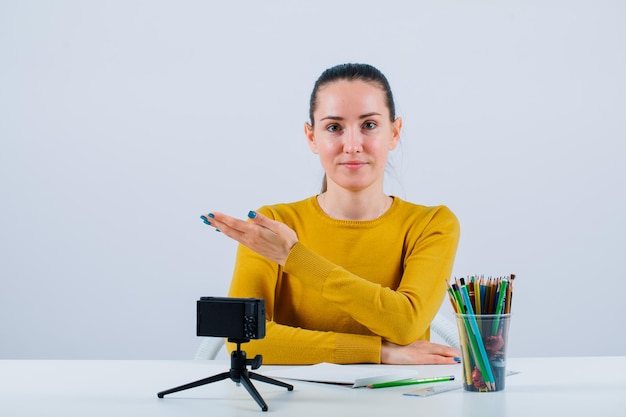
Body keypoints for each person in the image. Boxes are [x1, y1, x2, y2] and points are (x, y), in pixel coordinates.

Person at [200, 63, 461, 365]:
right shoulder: (272, 224)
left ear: (394, 132)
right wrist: (380, 352)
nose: (352, 145)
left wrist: (295, 258)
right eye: (334, 128)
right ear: (312, 137)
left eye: (370, 125)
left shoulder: (431, 224)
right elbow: (244, 342)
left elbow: (405, 324)